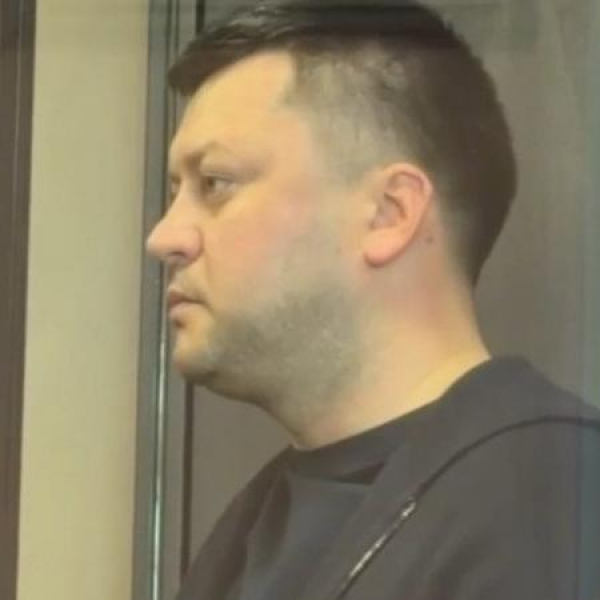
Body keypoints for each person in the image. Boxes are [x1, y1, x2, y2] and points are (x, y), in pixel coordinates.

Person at [145, 1, 600, 599]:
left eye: (215, 184)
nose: (164, 237)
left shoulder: (555, 502)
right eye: (175, 191)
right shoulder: (250, 531)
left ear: (390, 213)